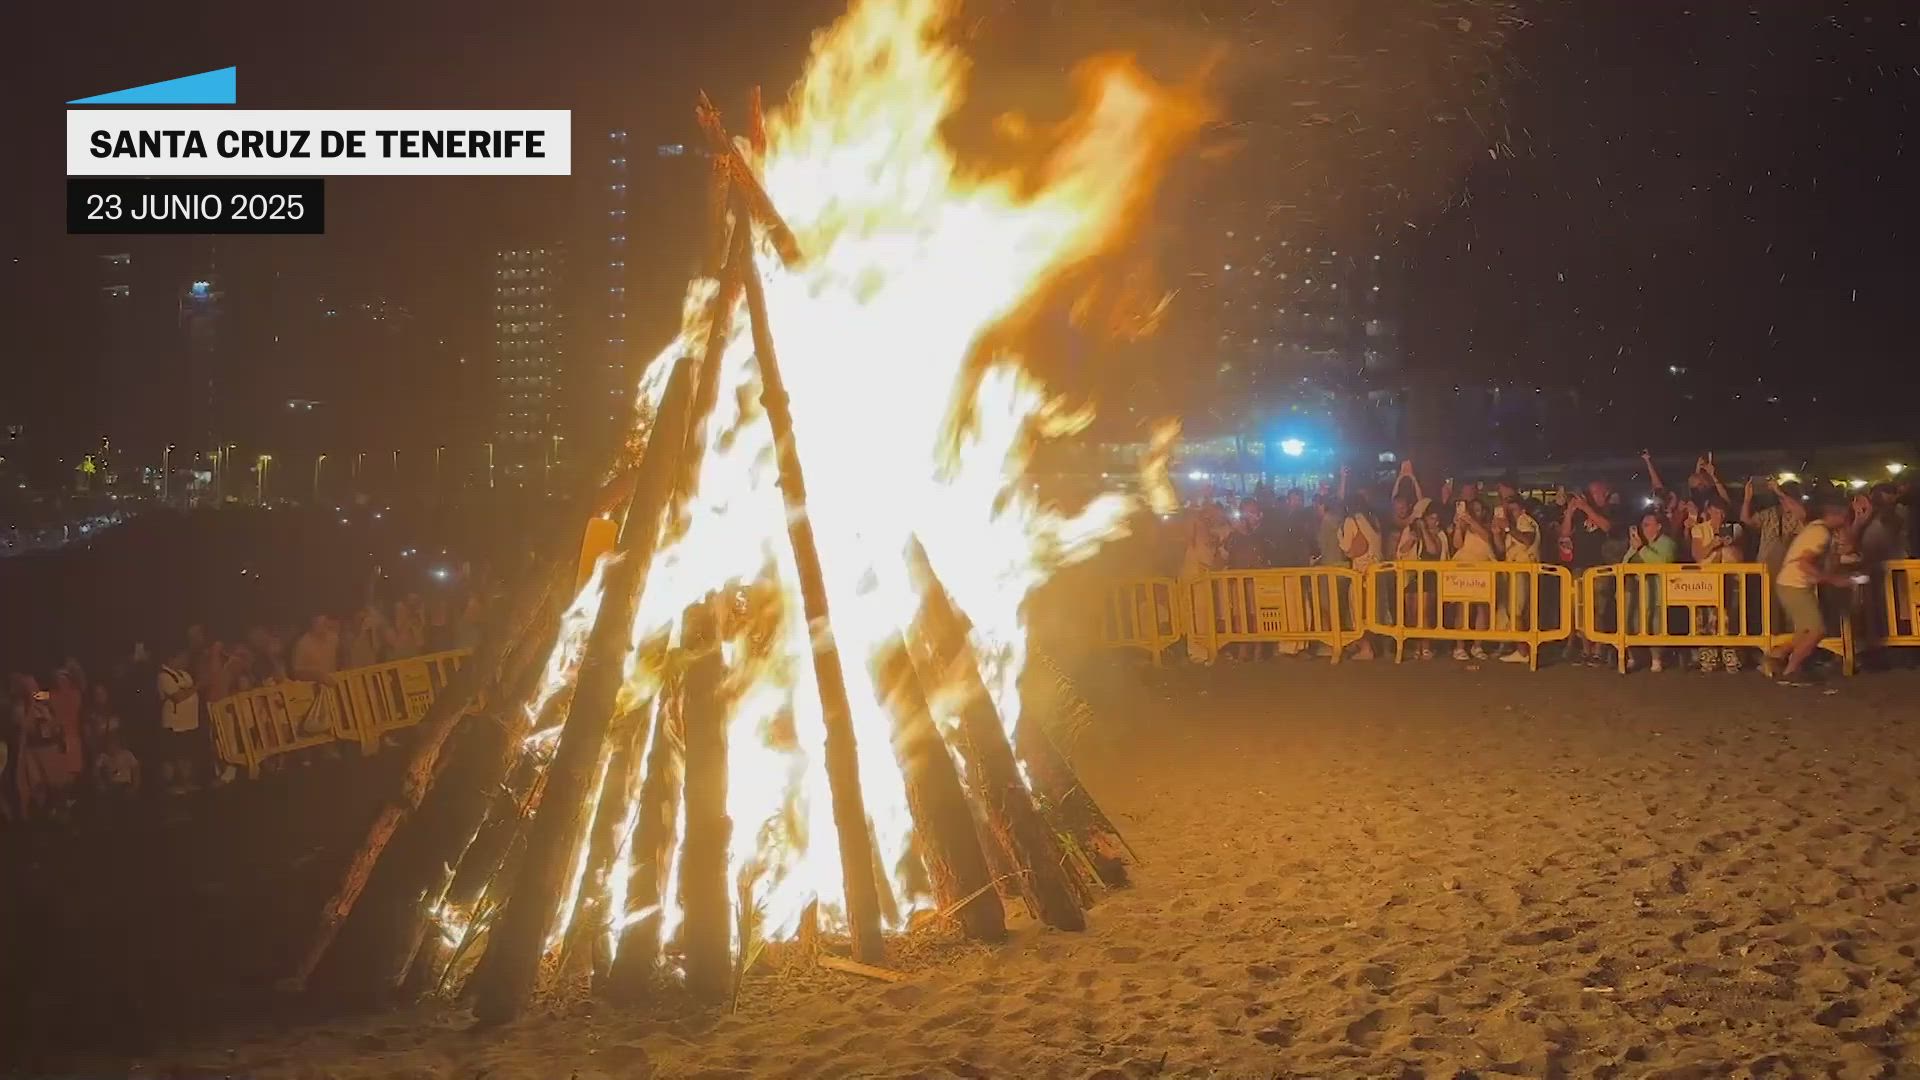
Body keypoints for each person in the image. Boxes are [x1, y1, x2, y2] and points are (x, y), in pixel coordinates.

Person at [1767, 498, 1855, 685]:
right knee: (1816, 630)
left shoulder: (1817, 528)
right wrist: (1833, 580)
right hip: (1795, 584)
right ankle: (1790, 671)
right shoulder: (1820, 533)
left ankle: (1777, 655)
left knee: (1804, 632)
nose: (1848, 519)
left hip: (1791, 583)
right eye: (1845, 516)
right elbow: (1804, 563)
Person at [1563, 480, 1625, 665]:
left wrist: (1587, 508)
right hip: (1580, 565)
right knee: (1580, 609)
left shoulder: (1611, 510)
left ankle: (1599, 649)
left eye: (1596, 492)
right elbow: (1565, 534)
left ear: (1605, 493)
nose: (1592, 496)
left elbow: (1607, 527)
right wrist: (1570, 511)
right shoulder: (1580, 513)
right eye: (1590, 493)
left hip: (1600, 567)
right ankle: (1585, 649)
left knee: (1599, 609)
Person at [1688, 499, 1745, 672]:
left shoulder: (1735, 529)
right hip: (1707, 580)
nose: (1719, 516)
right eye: (1715, 511)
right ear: (1709, 511)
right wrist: (1713, 544)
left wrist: (1731, 544)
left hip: (1730, 578)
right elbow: (1698, 555)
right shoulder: (1699, 529)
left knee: (1729, 617)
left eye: (1722, 512)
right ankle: (1708, 657)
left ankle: (1730, 656)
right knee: (1706, 617)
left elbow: (1741, 557)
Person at [1623, 510, 1680, 672]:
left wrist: (1641, 548)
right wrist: (1635, 547)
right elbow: (1625, 563)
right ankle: (1633, 657)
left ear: (1659, 526)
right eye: (1642, 525)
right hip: (1637, 595)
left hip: (1657, 595)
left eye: (1648, 524)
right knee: (1632, 625)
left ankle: (1657, 659)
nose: (1644, 527)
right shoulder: (1638, 544)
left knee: (1656, 626)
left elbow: (1662, 562)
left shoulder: (1667, 543)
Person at [1492, 492, 1541, 664]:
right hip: (1512, 571)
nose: (1510, 514)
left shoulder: (1525, 521)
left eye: (1513, 510)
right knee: (1514, 611)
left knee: (1517, 611)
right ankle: (1522, 649)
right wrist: (1497, 533)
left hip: (1523, 570)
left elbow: (1527, 540)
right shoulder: (1513, 525)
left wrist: (1507, 528)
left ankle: (1523, 651)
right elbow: (1501, 550)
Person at [1447, 498, 1496, 660]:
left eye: (1478, 510)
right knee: (1462, 608)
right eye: (1472, 510)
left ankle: (1478, 646)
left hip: (1483, 570)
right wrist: (1459, 526)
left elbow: (1487, 537)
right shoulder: (1463, 526)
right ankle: (1459, 647)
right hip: (1462, 571)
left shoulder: (1488, 527)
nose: (1475, 513)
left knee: (1482, 608)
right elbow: (1457, 545)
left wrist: (1470, 520)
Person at [157, 645, 201, 793]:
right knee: (173, 757)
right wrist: (198, 686)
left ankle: (186, 783)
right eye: (182, 657)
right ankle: (170, 786)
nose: (185, 660)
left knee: (186, 756)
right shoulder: (163, 676)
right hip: (174, 724)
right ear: (172, 659)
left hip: (190, 723)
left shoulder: (184, 674)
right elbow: (178, 697)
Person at [92, 729, 141, 811]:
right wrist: (100, 783)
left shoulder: (127, 754)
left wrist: (135, 786)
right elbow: (95, 771)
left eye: (112, 743)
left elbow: (136, 771)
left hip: (125, 785)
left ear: (117, 744)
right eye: (108, 743)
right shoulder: (103, 757)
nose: (110, 746)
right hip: (111, 787)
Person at [291, 614, 341, 684]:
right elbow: (296, 673)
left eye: (325, 623)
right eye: (320, 623)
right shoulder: (303, 644)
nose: (324, 626)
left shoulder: (334, 639)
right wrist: (315, 675)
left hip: (333, 685)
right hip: (312, 689)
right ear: (312, 622)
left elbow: (341, 662)